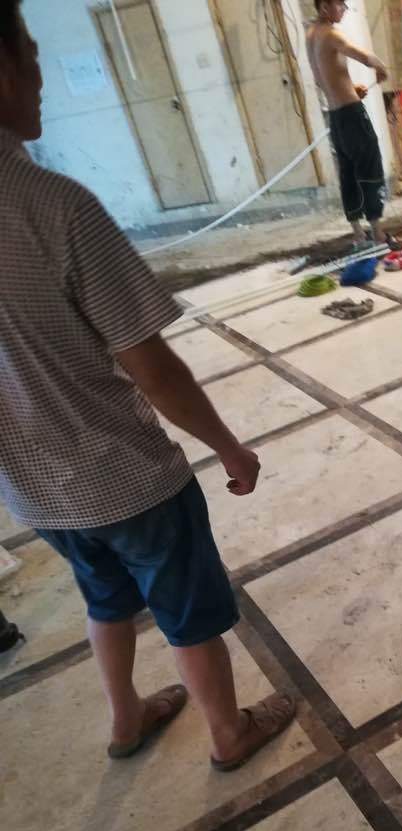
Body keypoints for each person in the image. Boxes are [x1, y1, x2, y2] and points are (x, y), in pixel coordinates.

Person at [0, 0, 295, 771]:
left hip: (36, 496)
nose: (41, 77)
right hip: (127, 480)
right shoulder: (55, 207)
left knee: (105, 598)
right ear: (1, 69)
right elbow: (154, 368)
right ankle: (229, 733)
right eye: (31, 53)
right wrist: (228, 446)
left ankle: (126, 717)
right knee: (188, 610)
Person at [307, 0, 399, 250]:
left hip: (336, 115)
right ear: (324, 6)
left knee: (348, 172)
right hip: (351, 115)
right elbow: (364, 56)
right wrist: (381, 67)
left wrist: (349, 90)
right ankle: (378, 234)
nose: (344, 9)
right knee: (369, 167)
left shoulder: (311, 35)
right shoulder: (332, 34)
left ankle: (359, 235)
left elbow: (323, 77)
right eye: (340, 4)